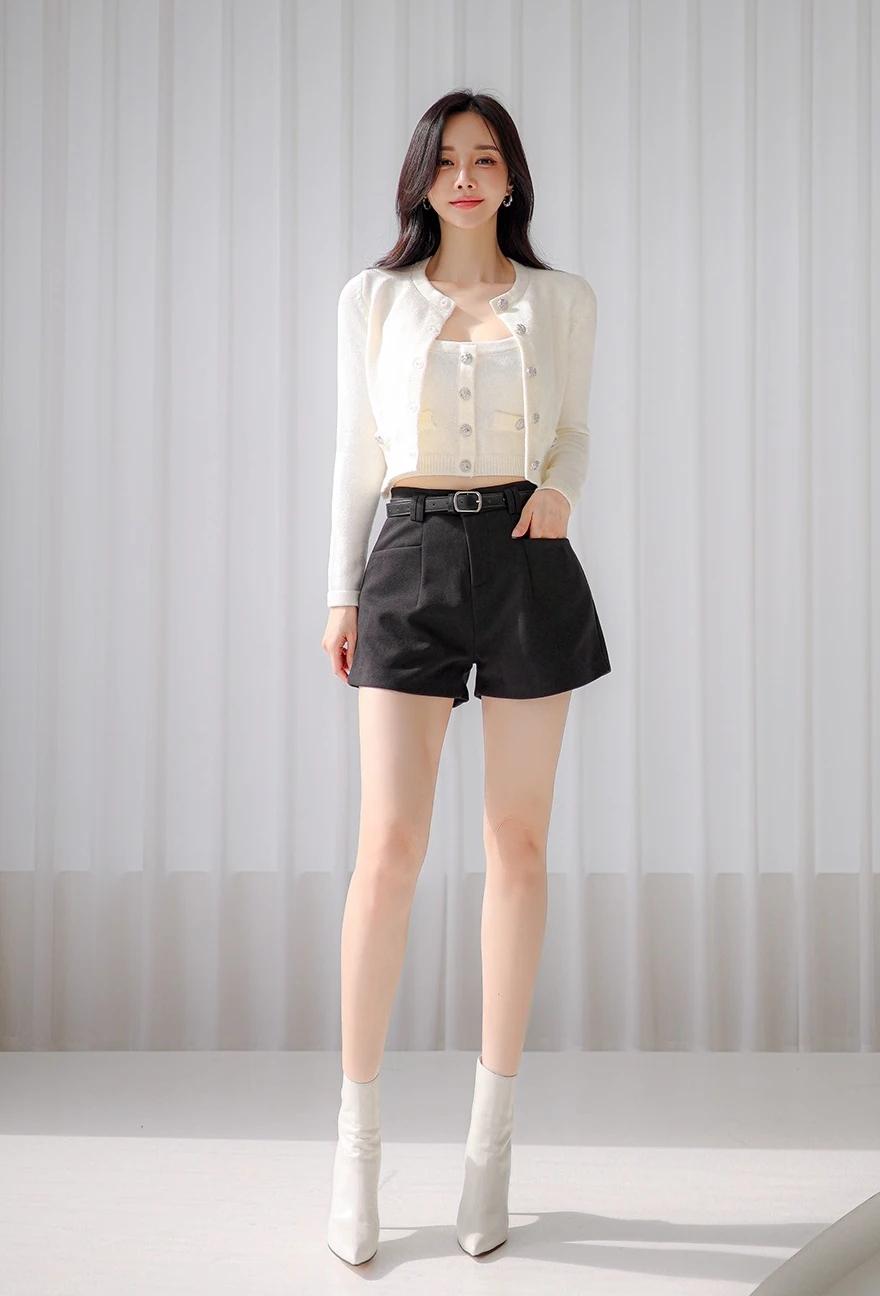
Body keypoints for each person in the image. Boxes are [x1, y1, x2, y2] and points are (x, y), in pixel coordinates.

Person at [322, 89, 611, 1266]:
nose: (465, 176)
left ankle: (489, 1151)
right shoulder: (374, 298)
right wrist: (342, 593)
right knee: (388, 849)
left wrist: (561, 492)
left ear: (511, 178)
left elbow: (572, 428)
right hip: (408, 550)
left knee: (517, 846)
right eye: (446, 160)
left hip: (525, 555)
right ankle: (357, 1152)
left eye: (485, 158)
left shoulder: (560, 299)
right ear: (421, 179)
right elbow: (356, 450)